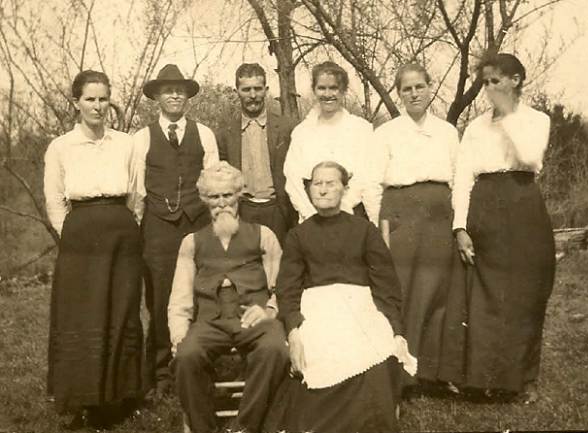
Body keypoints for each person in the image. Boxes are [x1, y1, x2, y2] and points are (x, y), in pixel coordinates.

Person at [265, 161, 417, 433]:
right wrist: (294, 332)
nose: (322, 190)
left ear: (345, 189)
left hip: (361, 306)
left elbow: (386, 285)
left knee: (374, 342)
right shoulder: (298, 235)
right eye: (317, 184)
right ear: (310, 189)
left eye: (330, 183)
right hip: (317, 308)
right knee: (322, 348)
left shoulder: (364, 230)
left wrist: (395, 329)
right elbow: (287, 289)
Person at [452, 52, 555, 403]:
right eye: (485, 82)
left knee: (525, 293)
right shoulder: (475, 127)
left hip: (522, 202)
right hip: (484, 206)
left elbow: (529, 158)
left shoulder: (536, 119)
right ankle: (486, 379)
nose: (490, 88)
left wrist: (507, 115)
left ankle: (524, 379)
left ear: (516, 80)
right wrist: (460, 227)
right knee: (486, 294)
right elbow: (463, 176)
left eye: (496, 81)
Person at [44, 70, 143, 429]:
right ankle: (82, 398)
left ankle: (117, 397)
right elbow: (54, 200)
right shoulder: (60, 147)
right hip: (80, 238)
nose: (98, 107)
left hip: (120, 233)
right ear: (76, 103)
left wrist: (126, 227)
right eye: (90, 99)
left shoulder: (126, 143)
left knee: (119, 311)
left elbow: (136, 194)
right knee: (82, 316)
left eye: (103, 99)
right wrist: (71, 235)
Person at [168, 161, 289, 433]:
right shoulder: (191, 242)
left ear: (239, 195)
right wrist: (178, 335)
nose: (222, 203)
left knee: (276, 350)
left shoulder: (264, 236)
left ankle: (245, 426)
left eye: (228, 195)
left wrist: (270, 310)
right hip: (210, 321)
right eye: (214, 197)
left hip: (254, 316)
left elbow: (281, 286)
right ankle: (204, 428)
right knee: (186, 356)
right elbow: (180, 297)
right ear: (204, 200)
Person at [372, 63, 466, 389]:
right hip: (400, 216)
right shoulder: (385, 133)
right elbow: (372, 185)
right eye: (406, 89)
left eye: (419, 87)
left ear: (430, 88)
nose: (414, 94)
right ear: (398, 94)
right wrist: (379, 228)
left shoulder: (448, 132)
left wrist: (459, 224)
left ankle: (435, 374)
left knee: (438, 291)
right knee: (404, 291)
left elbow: (459, 181)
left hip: (439, 217)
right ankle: (401, 371)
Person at [132, 64, 219, 397]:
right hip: (157, 229)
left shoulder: (205, 134)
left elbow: (213, 185)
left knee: (200, 295)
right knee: (159, 298)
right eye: (167, 90)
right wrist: (139, 231)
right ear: (157, 96)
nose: (174, 95)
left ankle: (198, 367)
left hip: (197, 223)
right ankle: (160, 374)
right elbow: (138, 190)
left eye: (179, 90)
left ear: (187, 97)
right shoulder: (142, 138)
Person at [283, 61, 378, 223]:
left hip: (351, 214)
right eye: (321, 88)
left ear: (343, 91)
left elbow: (366, 176)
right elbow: (292, 179)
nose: (327, 94)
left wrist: (342, 209)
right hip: (311, 215)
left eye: (333, 88)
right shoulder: (302, 131)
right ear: (314, 90)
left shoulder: (361, 129)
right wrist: (309, 213)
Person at [217, 63, 297, 246]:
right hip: (242, 210)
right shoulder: (225, 133)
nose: (252, 95)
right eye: (246, 89)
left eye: (257, 89)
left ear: (266, 90)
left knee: (278, 267)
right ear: (237, 91)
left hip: (277, 209)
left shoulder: (286, 128)